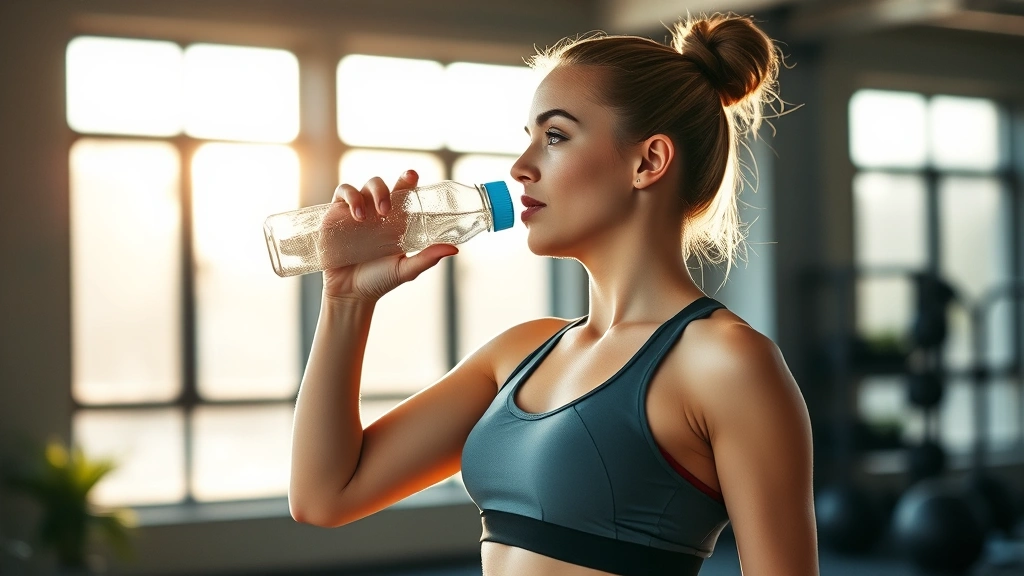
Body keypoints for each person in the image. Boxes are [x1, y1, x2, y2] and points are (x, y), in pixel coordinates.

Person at [289, 12, 819, 576]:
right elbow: (325, 497)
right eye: (530, 140)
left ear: (649, 161)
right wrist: (346, 302)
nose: (520, 168)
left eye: (556, 136)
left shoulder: (726, 362)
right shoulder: (519, 352)